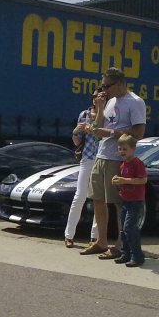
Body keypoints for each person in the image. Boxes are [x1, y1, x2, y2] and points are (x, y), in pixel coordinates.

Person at [79, 67, 146, 259]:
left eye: (106, 86)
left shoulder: (135, 102)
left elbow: (139, 133)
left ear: (119, 83)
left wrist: (112, 133)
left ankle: (119, 245)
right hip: (101, 155)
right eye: (102, 86)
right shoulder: (110, 101)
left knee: (117, 203)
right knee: (98, 200)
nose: (104, 90)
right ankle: (101, 241)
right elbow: (99, 127)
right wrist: (100, 107)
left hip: (118, 158)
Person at [65, 89, 102, 248]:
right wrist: (76, 131)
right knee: (79, 195)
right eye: (94, 96)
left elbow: (102, 135)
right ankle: (69, 235)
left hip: (101, 159)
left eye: (100, 96)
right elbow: (77, 142)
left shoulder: (108, 115)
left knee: (98, 198)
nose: (96, 99)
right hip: (87, 158)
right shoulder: (84, 114)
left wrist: (93, 128)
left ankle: (95, 236)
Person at [111, 134, 148, 267]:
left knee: (130, 228)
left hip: (135, 202)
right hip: (126, 200)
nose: (122, 152)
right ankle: (125, 253)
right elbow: (126, 182)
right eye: (120, 149)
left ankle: (137, 256)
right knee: (123, 229)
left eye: (125, 149)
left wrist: (124, 180)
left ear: (133, 149)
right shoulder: (123, 165)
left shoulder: (137, 163)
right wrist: (118, 181)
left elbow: (143, 180)